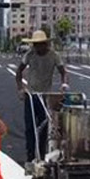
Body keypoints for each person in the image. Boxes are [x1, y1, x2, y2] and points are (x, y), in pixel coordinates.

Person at [15, 30, 68, 163]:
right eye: (35, 44)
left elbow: (63, 72)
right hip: (31, 96)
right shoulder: (30, 55)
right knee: (30, 128)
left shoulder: (53, 56)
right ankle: (31, 157)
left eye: (40, 44)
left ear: (46, 44)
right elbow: (19, 71)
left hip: (45, 96)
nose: (37, 47)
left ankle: (42, 157)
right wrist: (20, 89)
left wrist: (64, 84)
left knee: (44, 128)